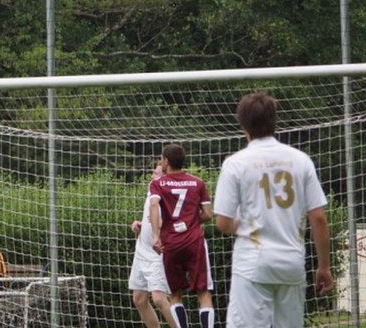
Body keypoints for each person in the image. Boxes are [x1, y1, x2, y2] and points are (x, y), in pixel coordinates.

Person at [214, 91, 333, 328]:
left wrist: (247, 224)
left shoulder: (236, 163)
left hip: (253, 263)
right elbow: (318, 217)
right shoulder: (301, 160)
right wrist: (324, 267)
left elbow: (223, 222)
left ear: (243, 124)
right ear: (274, 120)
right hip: (291, 262)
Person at [148, 143, 215, 328]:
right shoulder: (198, 183)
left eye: (161, 159)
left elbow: (154, 205)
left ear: (166, 161)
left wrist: (156, 236)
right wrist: (191, 221)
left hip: (171, 243)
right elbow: (208, 214)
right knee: (204, 293)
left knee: (175, 295)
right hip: (194, 242)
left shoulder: (157, 184)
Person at [128, 161, 177, 328]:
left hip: (158, 252)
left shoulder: (170, 195)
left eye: (156, 174)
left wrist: (164, 223)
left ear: (164, 178)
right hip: (142, 250)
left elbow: (179, 222)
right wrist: (140, 224)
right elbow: (150, 220)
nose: (152, 176)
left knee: (159, 299)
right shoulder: (151, 191)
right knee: (139, 299)